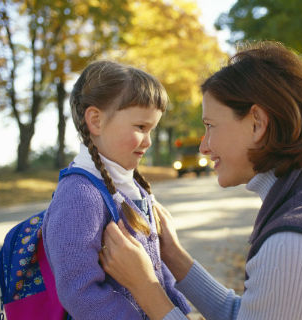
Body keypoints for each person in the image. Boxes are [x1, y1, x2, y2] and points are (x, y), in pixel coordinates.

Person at [99, 42, 302, 320]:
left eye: (210, 126)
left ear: (257, 124)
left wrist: (145, 288)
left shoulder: (295, 242)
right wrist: (175, 257)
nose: (204, 146)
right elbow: (247, 314)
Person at [42, 61, 191, 320]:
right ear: (96, 121)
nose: (149, 141)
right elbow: (79, 291)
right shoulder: (80, 195)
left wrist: (182, 312)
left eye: (152, 129)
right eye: (141, 128)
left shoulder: (133, 189)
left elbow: (158, 270)